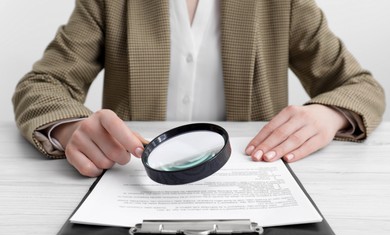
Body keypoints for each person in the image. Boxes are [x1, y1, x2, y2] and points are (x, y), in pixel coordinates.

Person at [12, 0, 385, 177]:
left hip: (250, 176)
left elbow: (359, 85)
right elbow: (43, 83)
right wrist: (72, 127)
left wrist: (329, 114)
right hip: (132, 178)